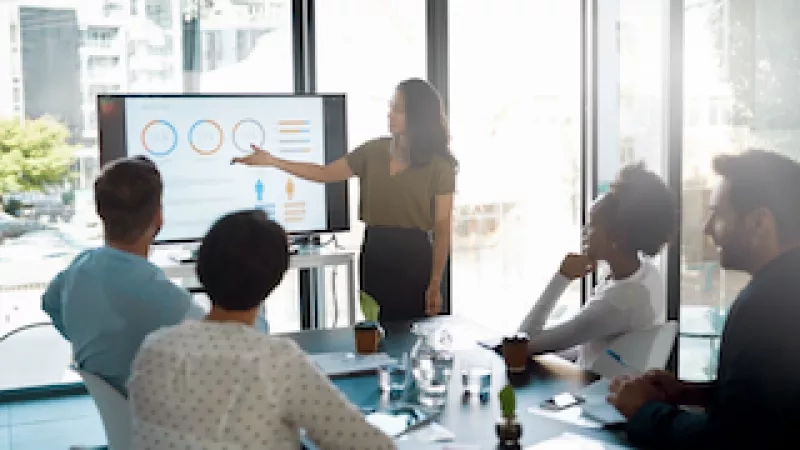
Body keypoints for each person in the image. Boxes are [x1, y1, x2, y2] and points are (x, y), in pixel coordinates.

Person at [128, 210, 395, 449]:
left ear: (202, 269)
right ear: (275, 278)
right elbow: (367, 444)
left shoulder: (153, 349)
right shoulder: (275, 362)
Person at [607, 150, 800, 449]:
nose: (708, 228)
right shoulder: (785, 288)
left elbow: (726, 440)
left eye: (717, 214)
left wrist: (644, 410)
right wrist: (689, 393)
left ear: (760, 222)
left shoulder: (765, 306)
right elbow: (769, 403)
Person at [232, 78, 457, 321]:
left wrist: (435, 282)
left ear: (417, 116)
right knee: (376, 327)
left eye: (398, 110)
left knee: (414, 329)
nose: (390, 114)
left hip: (414, 257)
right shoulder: (373, 152)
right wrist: (273, 161)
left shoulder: (440, 166)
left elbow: (443, 228)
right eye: (391, 107)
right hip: (375, 251)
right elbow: (324, 173)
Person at [42, 156, 202, 394]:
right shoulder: (172, 303)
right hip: (167, 420)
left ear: (100, 212)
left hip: (119, 416)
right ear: (158, 218)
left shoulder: (78, 270)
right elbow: (229, 347)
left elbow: (50, 303)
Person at [517, 163, 676, 368]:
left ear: (616, 238)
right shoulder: (646, 274)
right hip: (603, 384)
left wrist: (562, 276)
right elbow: (583, 342)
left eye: (591, 225)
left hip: (593, 394)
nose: (584, 232)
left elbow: (521, 344)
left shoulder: (619, 303)